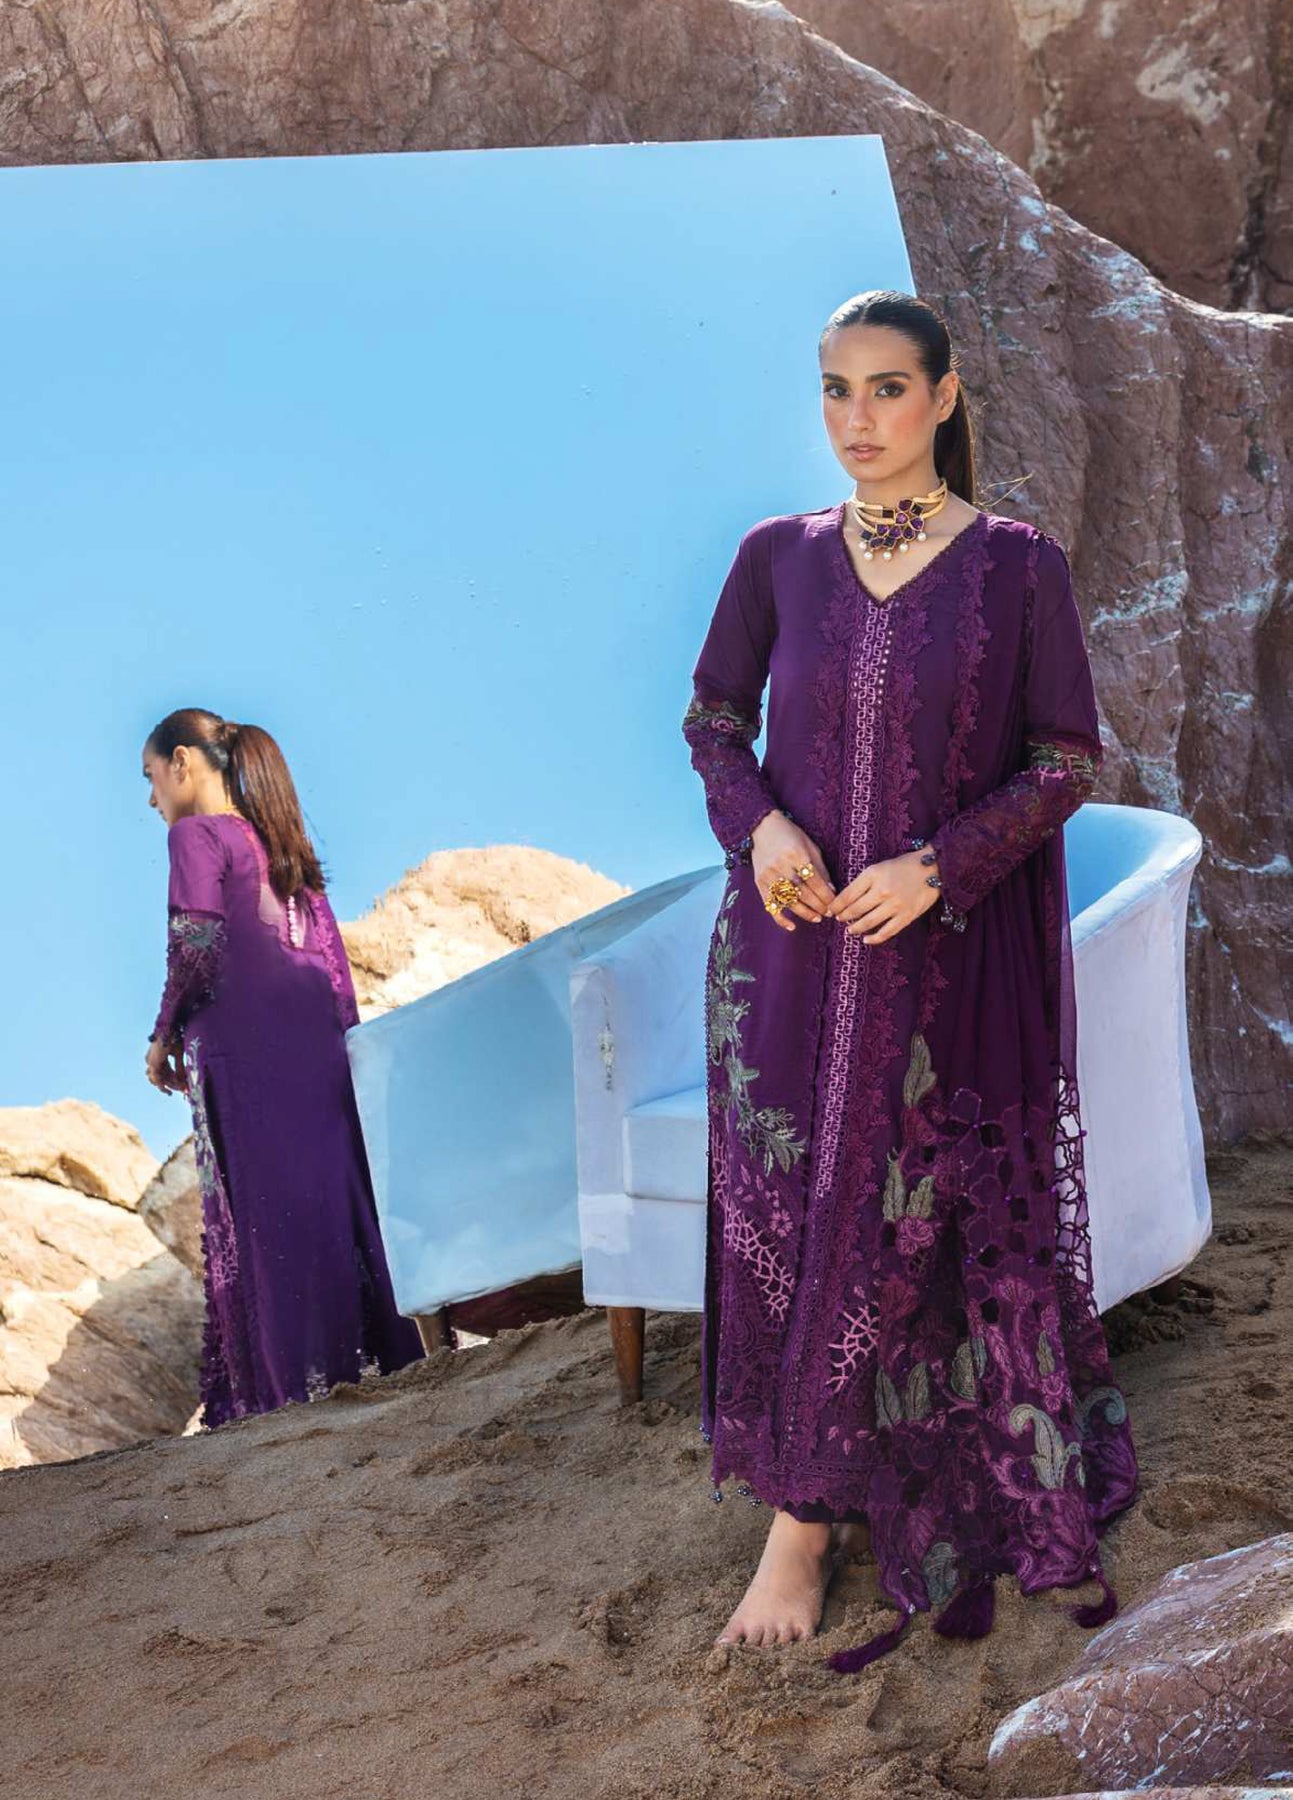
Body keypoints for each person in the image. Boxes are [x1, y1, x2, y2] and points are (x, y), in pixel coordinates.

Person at [682, 290, 1138, 1667]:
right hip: (789, 945)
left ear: (943, 398)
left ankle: (812, 1518)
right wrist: (761, 830)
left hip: (946, 952)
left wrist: (940, 867)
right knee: (798, 1203)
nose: (857, 418)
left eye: (887, 389)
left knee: (910, 1205)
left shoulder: (1016, 566)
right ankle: (806, 1500)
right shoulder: (777, 557)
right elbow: (713, 721)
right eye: (836, 389)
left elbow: (1063, 759)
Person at [143, 709, 425, 1427]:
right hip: (317, 1048)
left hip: (247, 1052)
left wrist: (162, 1034)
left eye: (151, 777)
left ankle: (289, 1393)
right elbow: (332, 968)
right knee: (332, 1201)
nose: (152, 798)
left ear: (183, 762)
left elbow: (196, 941)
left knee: (267, 1218)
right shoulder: (280, 840)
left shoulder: (195, 835)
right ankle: (379, 1364)